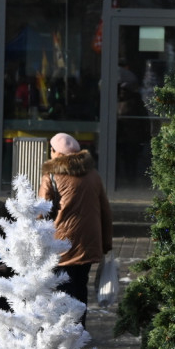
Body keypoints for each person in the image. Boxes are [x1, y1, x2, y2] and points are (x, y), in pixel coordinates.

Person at [39, 133, 112, 327]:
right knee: (79, 287)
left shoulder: (52, 176)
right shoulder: (93, 175)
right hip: (88, 243)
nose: (50, 153)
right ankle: (78, 331)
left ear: (58, 152)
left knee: (58, 290)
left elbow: (41, 211)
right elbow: (105, 210)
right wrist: (106, 243)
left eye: (52, 150)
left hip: (61, 244)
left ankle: (60, 335)